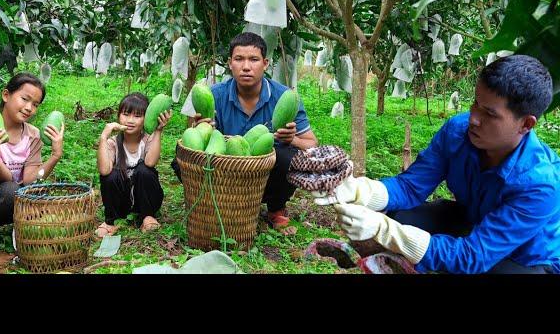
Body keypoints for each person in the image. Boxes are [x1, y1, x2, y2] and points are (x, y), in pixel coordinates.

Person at [314, 54, 560, 274]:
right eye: (475, 103)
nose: (474, 118)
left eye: (490, 114)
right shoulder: (458, 132)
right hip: (473, 220)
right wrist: (360, 190)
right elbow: (411, 187)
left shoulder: (539, 185)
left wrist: (388, 233)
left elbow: (474, 256)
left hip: (527, 257)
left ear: (526, 124)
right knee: (402, 216)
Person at [172, 32, 318, 233]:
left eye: (254, 59)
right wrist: (200, 128)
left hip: (263, 175)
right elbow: (192, 140)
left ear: (265, 63)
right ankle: (218, 203)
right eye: (239, 59)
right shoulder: (215, 95)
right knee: (181, 159)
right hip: (225, 174)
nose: (246, 66)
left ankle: (275, 207)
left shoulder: (284, 97)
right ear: (230, 63)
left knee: (289, 158)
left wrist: (292, 139)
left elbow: (312, 144)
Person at [0, 72, 64, 256]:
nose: (29, 108)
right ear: (6, 95)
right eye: (25, 99)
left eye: (35, 104)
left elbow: (31, 180)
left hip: (16, 196)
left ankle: (23, 225)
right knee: (9, 189)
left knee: (41, 194)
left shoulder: (33, 135)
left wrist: (55, 155)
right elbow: (5, 179)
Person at [95, 93, 172, 237]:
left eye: (137, 116)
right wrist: (103, 137)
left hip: (144, 200)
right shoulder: (113, 143)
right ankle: (111, 221)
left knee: (145, 170)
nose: (130, 120)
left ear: (146, 118)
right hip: (122, 204)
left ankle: (147, 216)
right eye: (126, 114)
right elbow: (104, 170)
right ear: (118, 116)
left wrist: (158, 131)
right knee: (111, 175)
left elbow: (150, 162)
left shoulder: (148, 140)